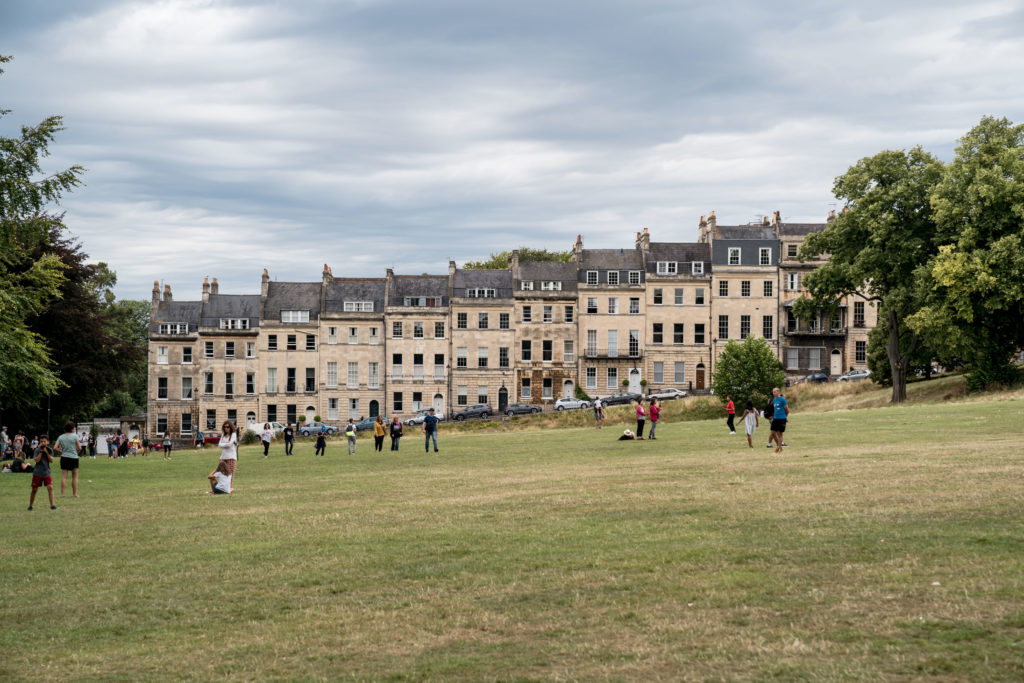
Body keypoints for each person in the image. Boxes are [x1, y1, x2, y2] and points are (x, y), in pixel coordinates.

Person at [28, 435, 57, 510]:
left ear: (47, 442)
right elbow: (36, 460)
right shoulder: (37, 450)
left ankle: (52, 505)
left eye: (44, 441)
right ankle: (30, 505)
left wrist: (46, 453)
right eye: (41, 441)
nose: (43, 443)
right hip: (37, 472)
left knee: (50, 487)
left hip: (46, 472)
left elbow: (51, 460)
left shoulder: (50, 450)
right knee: (34, 489)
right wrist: (41, 452)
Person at [53, 420, 80, 498]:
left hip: (64, 457)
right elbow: (79, 447)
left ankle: (62, 494)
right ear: (71, 428)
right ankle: (74, 494)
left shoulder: (61, 437)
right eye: (74, 427)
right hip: (74, 457)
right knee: (74, 477)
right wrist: (75, 450)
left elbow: (55, 447)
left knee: (64, 476)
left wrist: (61, 452)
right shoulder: (75, 436)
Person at [769, 387, 789, 454]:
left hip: (781, 419)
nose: (773, 393)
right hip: (775, 418)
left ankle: (778, 448)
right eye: (773, 392)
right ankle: (779, 446)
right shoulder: (774, 400)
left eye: (774, 392)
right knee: (773, 432)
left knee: (780, 434)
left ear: (778, 392)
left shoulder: (783, 399)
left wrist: (785, 417)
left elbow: (787, 409)